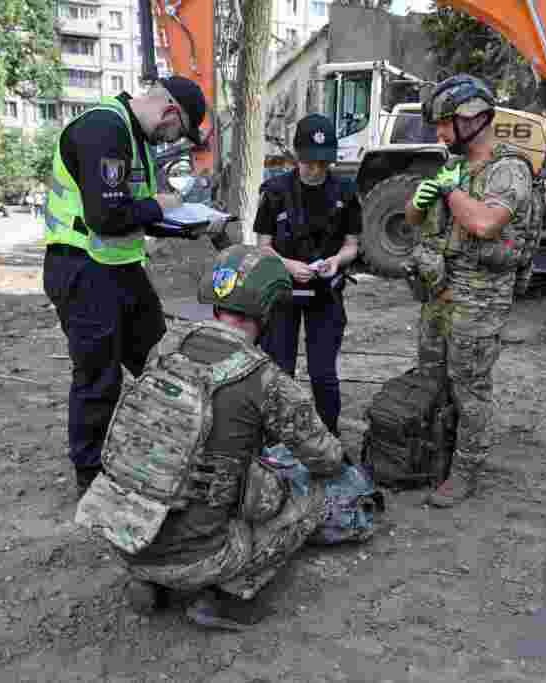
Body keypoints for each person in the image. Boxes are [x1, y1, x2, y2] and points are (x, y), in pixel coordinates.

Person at [84, 245, 344, 628]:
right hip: (199, 558)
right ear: (269, 310)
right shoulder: (266, 379)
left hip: (121, 534)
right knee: (311, 499)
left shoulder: (167, 346)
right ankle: (226, 597)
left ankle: (148, 578)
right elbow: (326, 458)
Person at [41, 75, 209, 497]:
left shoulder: (134, 139)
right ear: (170, 112)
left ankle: (165, 448)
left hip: (119, 267)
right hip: (82, 268)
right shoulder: (106, 128)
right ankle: (91, 476)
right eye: (178, 132)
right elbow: (106, 217)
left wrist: (184, 226)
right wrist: (162, 205)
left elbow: (131, 212)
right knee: (99, 377)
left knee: (159, 358)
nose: (172, 141)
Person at [403, 74, 535, 507]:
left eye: (445, 123)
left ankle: (465, 472)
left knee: (470, 388)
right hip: (439, 293)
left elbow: (484, 223)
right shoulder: (455, 167)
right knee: (432, 378)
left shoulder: (508, 169)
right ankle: (434, 457)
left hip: (479, 299)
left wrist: (450, 190)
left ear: (473, 118)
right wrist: (419, 202)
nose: (440, 133)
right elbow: (414, 221)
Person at [255, 113, 361, 437]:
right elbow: (263, 247)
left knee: (323, 373)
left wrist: (336, 261)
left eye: (322, 163)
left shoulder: (345, 191)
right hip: (283, 292)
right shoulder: (275, 192)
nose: (315, 170)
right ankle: (277, 439)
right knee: (280, 370)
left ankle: (329, 439)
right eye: (309, 162)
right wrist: (288, 265)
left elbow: (352, 245)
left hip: (325, 293)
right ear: (297, 156)